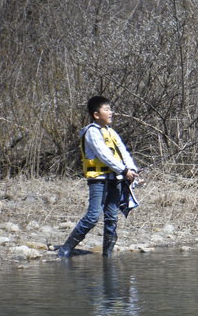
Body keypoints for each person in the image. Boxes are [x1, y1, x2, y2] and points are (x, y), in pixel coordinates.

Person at [58, 96, 138, 258]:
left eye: (110, 109)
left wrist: (131, 171)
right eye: (107, 109)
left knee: (111, 217)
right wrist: (123, 171)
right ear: (96, 114)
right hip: (98, 180)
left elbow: (123, 153)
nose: (111, 112)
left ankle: (107, 255)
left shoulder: (112, 132)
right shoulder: (91, 132)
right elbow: (104, 155)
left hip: (115, 180)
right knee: (93, 216)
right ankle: (66, 249)